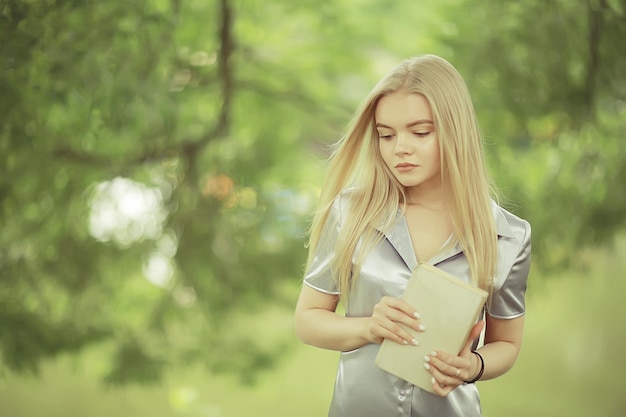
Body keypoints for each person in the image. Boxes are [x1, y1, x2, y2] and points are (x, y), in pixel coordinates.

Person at [294, 54, 531, 417]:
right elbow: (308, 320)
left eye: (420, 132)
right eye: (386, 135)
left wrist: (474, 367)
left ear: (455, 131)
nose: (399, 148)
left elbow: (507, 344)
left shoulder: (507, 236)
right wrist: (368, 327)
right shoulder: (350, 213)